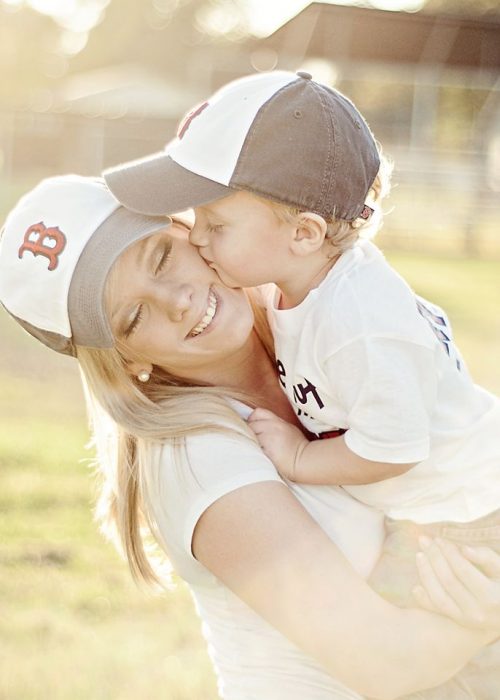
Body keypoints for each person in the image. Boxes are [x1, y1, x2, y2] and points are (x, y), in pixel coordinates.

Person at [1, 174, 500, 700]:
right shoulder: (197, 459)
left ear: (188, 231)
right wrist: (484, 614)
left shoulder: (314, 320)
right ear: (128, 362)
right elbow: (386, 665)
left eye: (161, 259)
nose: (178, 300)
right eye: (135, 315)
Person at [102, 71, 500, 614]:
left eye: (216, 223)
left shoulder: (360, 320)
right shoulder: (303, 291)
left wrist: (298, 458)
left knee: (438, 665)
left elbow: (393, 448)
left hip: (471, 518)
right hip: (440, 513)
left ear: (304, 234)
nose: (195, 236)